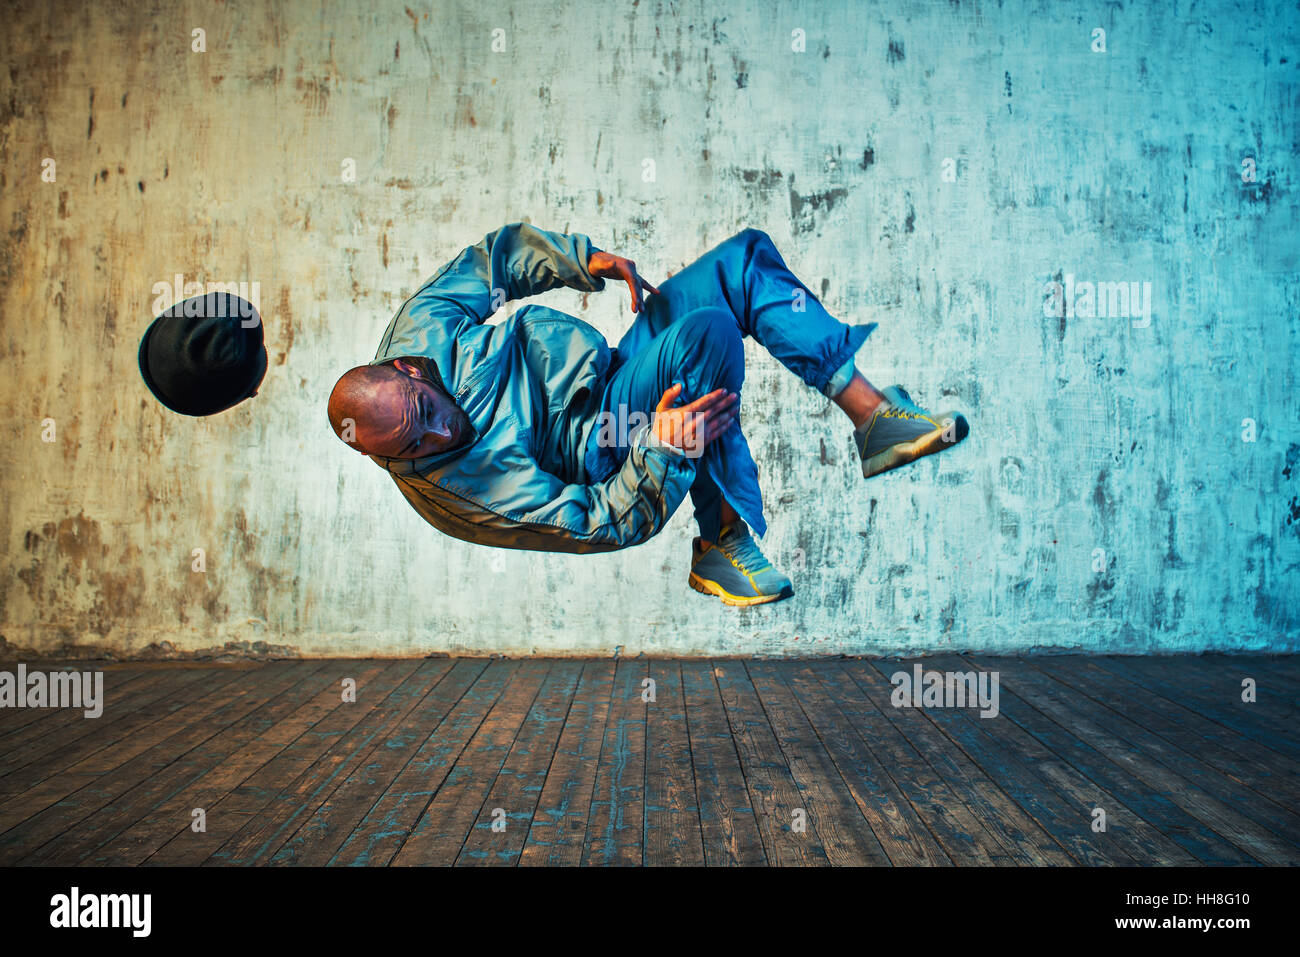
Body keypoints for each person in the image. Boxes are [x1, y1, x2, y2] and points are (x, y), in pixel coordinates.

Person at [328, 222, 968, 606]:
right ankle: (721, 539)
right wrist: (662, 448)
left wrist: (579, 260)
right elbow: (596, 524)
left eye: (427, 410)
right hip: (607, 442)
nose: (442, 431)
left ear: (410, 370)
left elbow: (493, 263)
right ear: (389, 455)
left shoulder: (421, 329)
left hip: (607, 371)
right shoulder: (461, 495)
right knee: (707, 338)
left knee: (741, 261)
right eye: (416, 445)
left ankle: (874, 419)